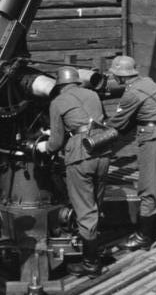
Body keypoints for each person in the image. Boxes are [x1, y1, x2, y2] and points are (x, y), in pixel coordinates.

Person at [36, 65, 110, 278]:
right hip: (102, 149)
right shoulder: (93, 94)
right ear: (77, 82)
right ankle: (95, 245)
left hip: (80, 156)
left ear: (59, 85)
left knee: (85, 209)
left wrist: (45, 147)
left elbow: (56, 143)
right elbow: (92, 121)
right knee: (96, 202)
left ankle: (91, 263)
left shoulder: (57, 102)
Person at [106, 55, 156, 251]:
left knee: (146, 186)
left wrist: (95, 129)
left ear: (119, 77)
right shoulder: (148, 82)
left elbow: (117, 123)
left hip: (150, 137)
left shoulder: (131, 94)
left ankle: (144, 236)